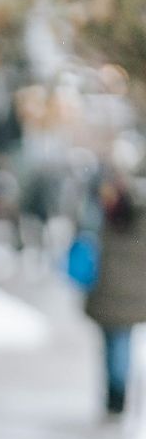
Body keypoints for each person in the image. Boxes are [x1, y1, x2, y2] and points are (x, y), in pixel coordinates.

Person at [89, 170, 146, 416]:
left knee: (114, 343)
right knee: (120, 343)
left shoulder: (106, 220)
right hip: (129, 294)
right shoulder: (139, 223)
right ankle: (117, 394)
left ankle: (115, 395)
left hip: (110, 291)